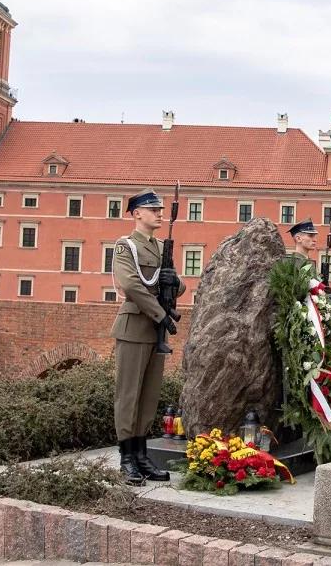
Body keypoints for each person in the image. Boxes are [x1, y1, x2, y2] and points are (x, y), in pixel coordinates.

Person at [112, 188, 186, 486]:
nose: (159, 213)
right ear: (137, 213)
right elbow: (131, 285)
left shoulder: (159, 248)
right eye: (152, 209)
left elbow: (174, 287)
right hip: (135, 328)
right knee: (129, 395)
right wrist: (162, 316)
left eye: (159, 209)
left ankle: (142, 457)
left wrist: (175, 282)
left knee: (149, 396)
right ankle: (127, 459)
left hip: (156, 331)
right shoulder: (125, 246)